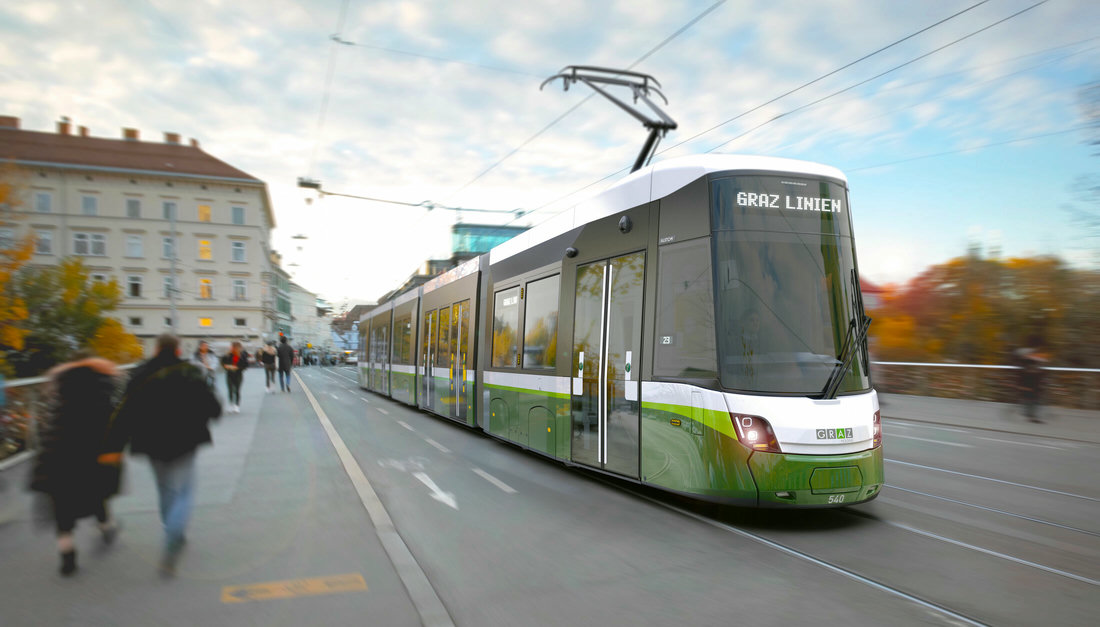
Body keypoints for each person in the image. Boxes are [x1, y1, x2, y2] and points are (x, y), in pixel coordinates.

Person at [106, 333, 221, 575]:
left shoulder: (140, 373)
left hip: (151, 442)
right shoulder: (189, 372)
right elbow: (211, 405)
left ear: (156, 349)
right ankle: (173, 536)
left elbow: (124, 410)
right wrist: (210, 414)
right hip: (185, 440)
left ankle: (171, 528)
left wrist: (114, 446)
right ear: (178, 350)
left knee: (165, 488)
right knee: (185, 490)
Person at [28, 353, 122, 576]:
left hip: (57, 456)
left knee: (62, 506)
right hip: (91, 455)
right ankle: (106, 528)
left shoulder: (59, 387)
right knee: (97, 495)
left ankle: (67, 555)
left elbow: (46, 425)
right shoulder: (103, 390)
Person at [1015, 346, 1048, 423]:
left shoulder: (1031, 362)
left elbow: (1037, 372)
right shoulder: (1028, 362)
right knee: (1031, 400)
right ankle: (1030, 416)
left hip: (1033, 385)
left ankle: (1031, 415)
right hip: (1030, 385)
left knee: (1033, 400)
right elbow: (1027, 373)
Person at [221, 341, 250, 413]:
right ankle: (231, 405)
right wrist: (227, 366)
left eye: (234, 347)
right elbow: (223, 362)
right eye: (231, 347)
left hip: (238, 375)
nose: (232, 348)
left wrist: (238, 368)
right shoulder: (228, 355)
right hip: (229, 374)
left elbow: (246, 365)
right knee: (230, 390)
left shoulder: (242, 355)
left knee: (237, 390)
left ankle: (236, 406)